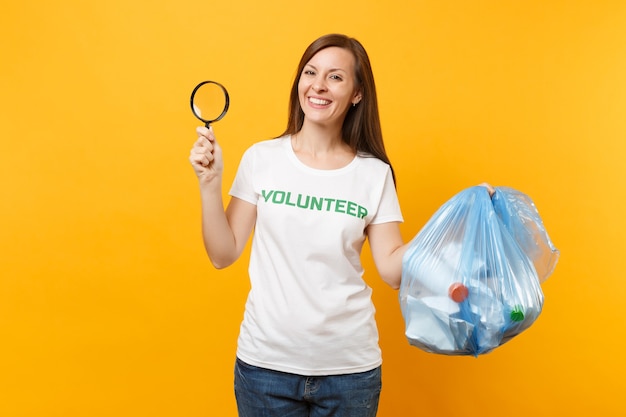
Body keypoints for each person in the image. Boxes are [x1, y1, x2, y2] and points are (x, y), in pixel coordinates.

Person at [189, 33, 404, 417]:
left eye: (335, 77)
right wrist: (210, 184)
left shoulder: (374, 173)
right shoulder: (262, 159)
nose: (318, 85)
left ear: (357, 93)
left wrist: (457, 221)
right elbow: (223, 255)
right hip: (265, 368)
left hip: (350, 372)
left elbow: (392, 269)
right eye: (310, 72)